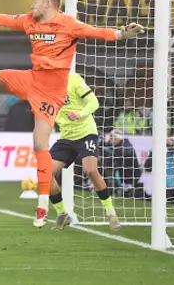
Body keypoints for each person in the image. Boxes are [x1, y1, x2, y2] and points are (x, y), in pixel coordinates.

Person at [0, 0, 144, 227]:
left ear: (49, 3)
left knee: (39, 143)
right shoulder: (29, 20)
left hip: (51, 93)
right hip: (32, 79)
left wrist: (122, 33)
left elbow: (97, 32)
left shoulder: (68, 24)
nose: (32, 4)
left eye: (35, 1)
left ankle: (44, 206)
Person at [48, 72, 120, 231]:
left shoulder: (72, 79)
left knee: (90, 170)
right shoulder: (45, 88)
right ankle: (62, 214)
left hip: (85, 132)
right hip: (66, 137)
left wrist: (79, 114)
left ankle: (111, 213)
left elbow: (94, 102)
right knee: (45, 173)